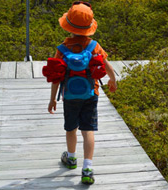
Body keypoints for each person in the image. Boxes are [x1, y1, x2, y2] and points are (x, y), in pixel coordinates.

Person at [47, 1, 117, 185]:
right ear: (89, 27)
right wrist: (113, 80)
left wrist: (53, 99)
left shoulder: (62, 49)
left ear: (67, 26)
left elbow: (55, 76)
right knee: (88, 130)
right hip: (90, 94)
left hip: (69, 95)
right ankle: (87, 168)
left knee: (71, 128)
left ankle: (70, 158)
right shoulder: (94, 46)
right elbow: (107, 66)